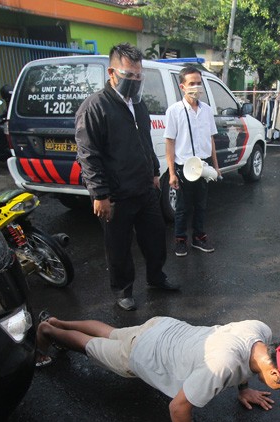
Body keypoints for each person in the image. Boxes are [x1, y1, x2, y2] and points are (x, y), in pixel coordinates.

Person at [35, 314, 280, 422]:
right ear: (274, 371)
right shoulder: (220, 366)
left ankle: (58, 319)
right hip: (144, 355)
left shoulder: (261, 331)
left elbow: (247, 359)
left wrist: (243, 389)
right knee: (90, 346)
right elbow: (178, 408)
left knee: (110, 332)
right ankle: (49, 331)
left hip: (163, 327)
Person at [76, 43, 180, 312]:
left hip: (144, 188)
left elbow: (144, 142)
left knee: (155, 237)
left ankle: (157, 278)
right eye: (128, 75)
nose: (134, 81)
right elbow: (89, 155)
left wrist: (155, 174)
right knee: (119, 247)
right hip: (116, 195)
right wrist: (100, 195)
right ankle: (123, 290)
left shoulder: (138, 104)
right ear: (112, 72)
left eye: (138, 75)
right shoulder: (95, 107)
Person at [164, 66, 221, 257]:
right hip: (184, 167)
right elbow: (170, 143)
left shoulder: (206, 110)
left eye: (199, 83)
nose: (196, 87)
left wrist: (216, 166)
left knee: (201, 205)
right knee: (182, 207)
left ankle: (199, 238)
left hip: (203, 166)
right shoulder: (174, 111)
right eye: (191, 84)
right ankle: (180, 240)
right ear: (182, 86)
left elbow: (211, 139)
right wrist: (172, 173)